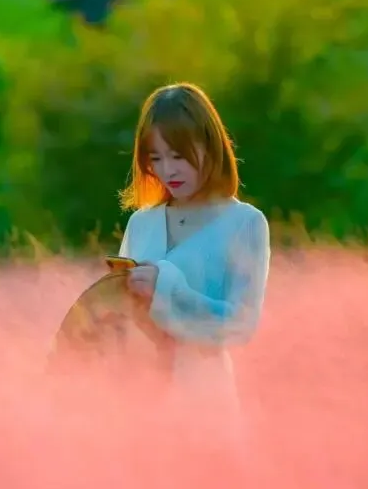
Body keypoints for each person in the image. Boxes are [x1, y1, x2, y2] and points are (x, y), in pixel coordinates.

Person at [115, 82, 271, 441]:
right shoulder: (142, 222)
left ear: (209, 145)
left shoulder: (245, 223)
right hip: (141, 408)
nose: (168, 170)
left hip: (206, 403)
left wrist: (168, 287)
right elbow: (121, 316)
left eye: (179, 155)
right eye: (156, 158)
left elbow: (241, 324)